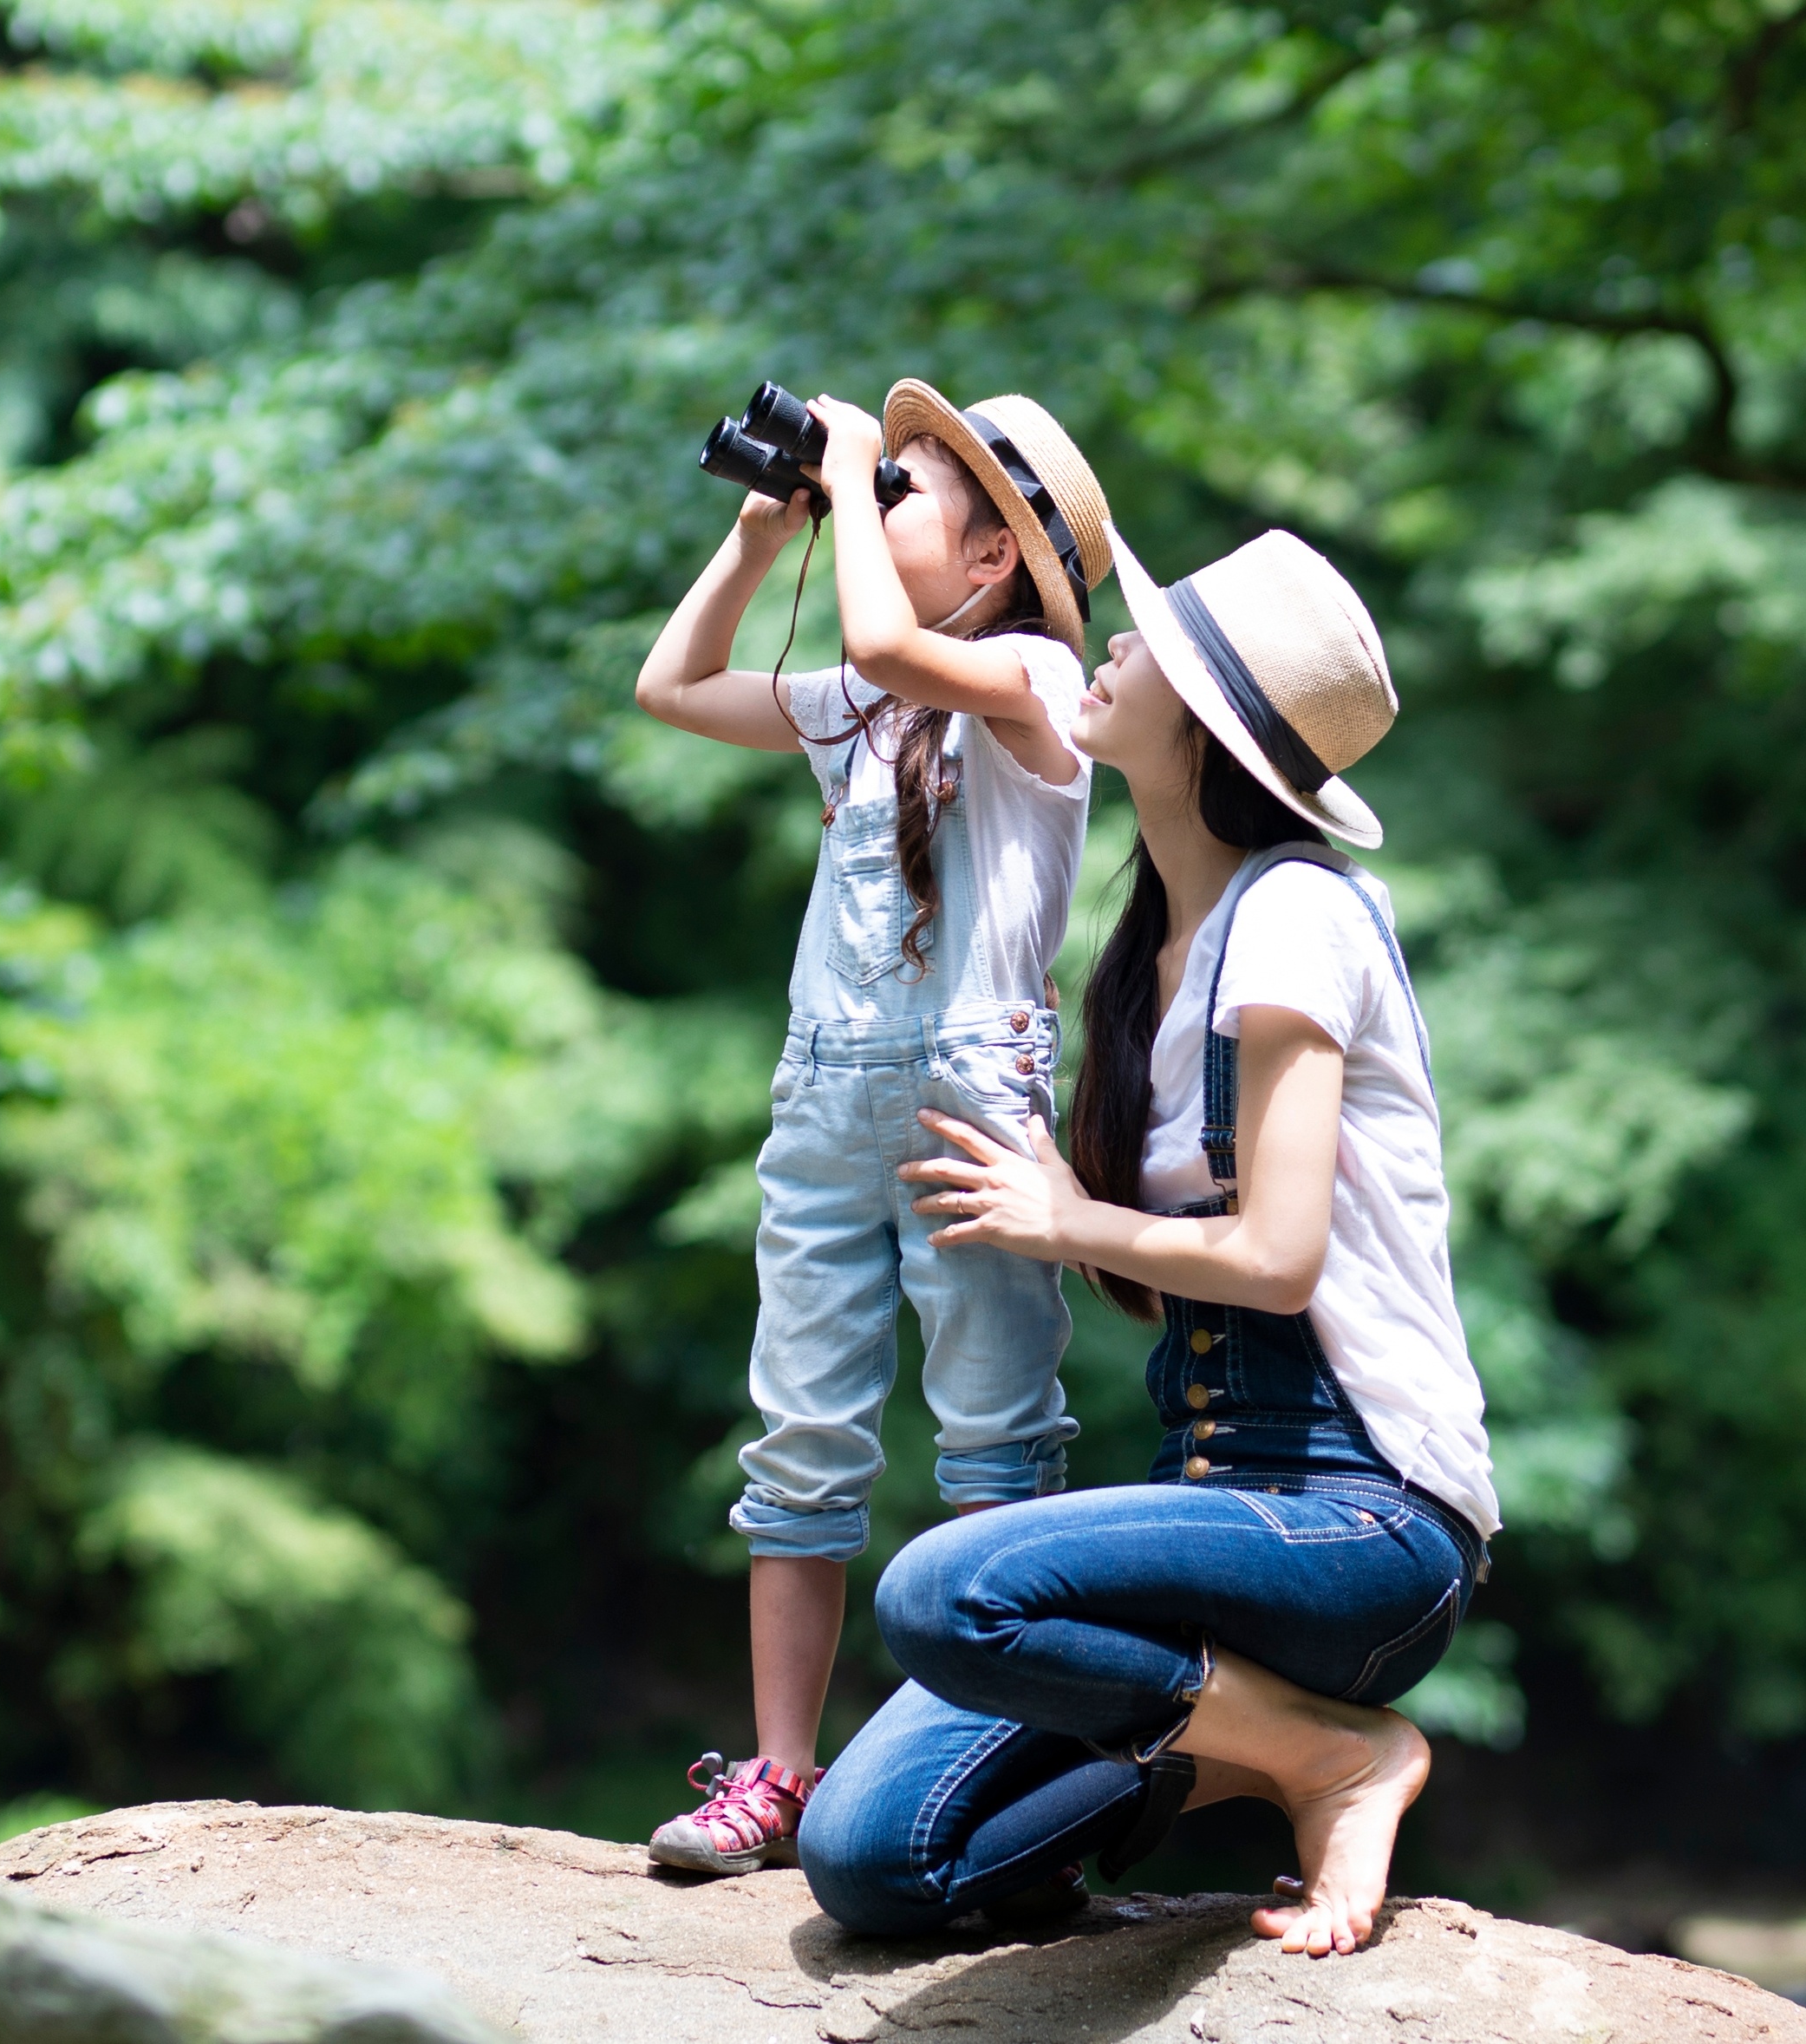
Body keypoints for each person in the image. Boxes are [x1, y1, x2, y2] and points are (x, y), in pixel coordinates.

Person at [793, 523, 1501, 1957]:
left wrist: (1065, 1216)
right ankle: (1241, 1743)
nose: (1110, 648)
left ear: (1209, 727)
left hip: (1359, 1518)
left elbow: (1278, 1258)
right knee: (874, 1859)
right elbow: (1155, 1273)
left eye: (1150, 647)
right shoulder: (1147, 947)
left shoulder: (1299, 913)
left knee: (945, 1587)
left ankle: (1335, 1754)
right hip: (1219, 1514)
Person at [631, 382, 1118, 1875]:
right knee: (802, 1435)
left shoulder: (1034, 675)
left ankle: (981, 1755)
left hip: (970, 1101)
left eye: (904, 492)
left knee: (992, 1438)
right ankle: (780, 1770)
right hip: (826, 1096)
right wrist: (760, 537)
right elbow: (672, 686)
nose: (873, 499)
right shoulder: (868, 703)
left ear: (990, 563)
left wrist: (847, 466)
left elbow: (882, 641)